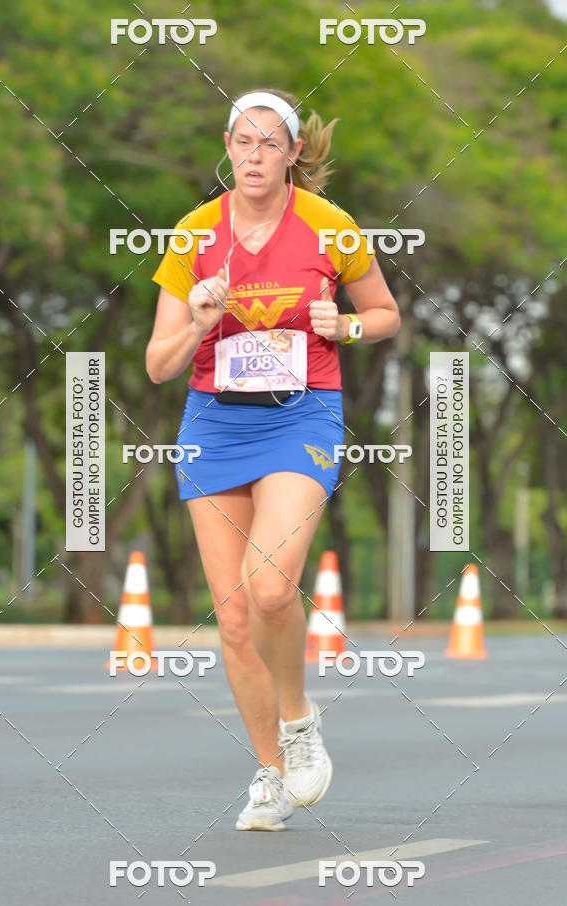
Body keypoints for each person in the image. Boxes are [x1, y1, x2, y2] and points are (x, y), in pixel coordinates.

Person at [146, 87, 400, 831]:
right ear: (226, 146)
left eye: (268, 144)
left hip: (301, 417)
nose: (252, 157)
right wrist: (197, 322)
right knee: (231, 621)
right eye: (241, 142)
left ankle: (299, 723)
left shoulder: (330, 227)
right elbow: (160, 365)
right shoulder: (195, 235)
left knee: (269, 590)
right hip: (214, 423)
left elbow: (385, 314)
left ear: (293, 154)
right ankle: (269, 775)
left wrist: (345, 325)